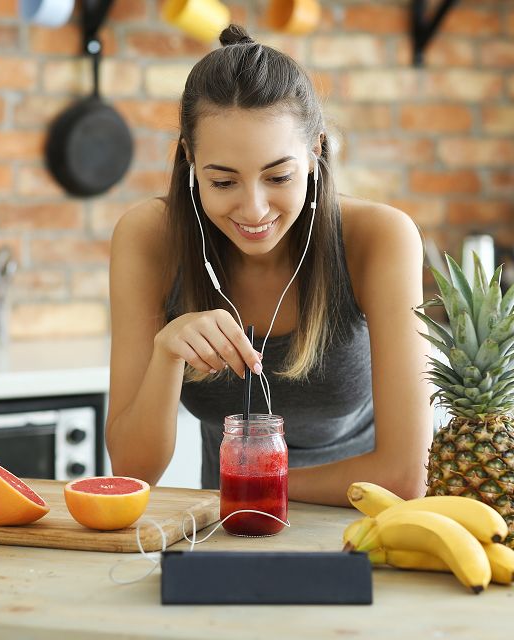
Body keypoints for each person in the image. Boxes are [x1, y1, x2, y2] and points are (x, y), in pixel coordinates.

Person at [105, 24, 432, 506]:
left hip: (362, 524)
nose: (254, 210)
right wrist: (166, 354)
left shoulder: (379, 238)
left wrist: (245, 489)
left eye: (278, 176)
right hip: (228, 529)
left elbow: (405, 477)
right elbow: (133, 471)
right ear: (189, 159)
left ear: (315, 150)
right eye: (222, 182)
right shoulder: (149, 238)